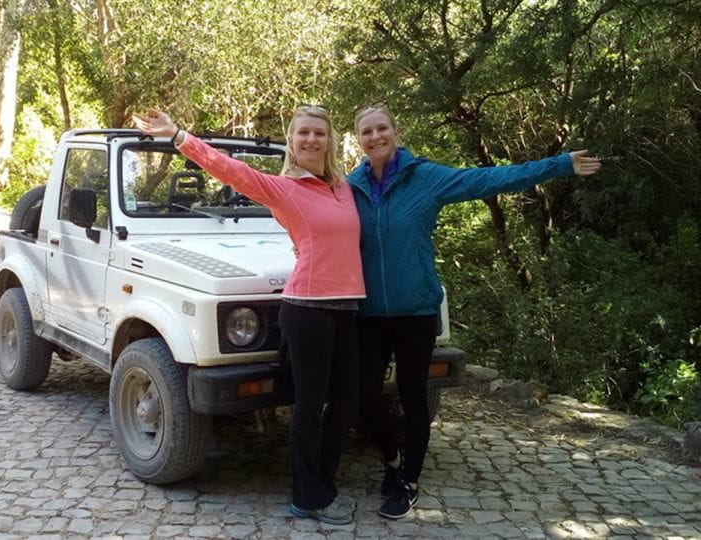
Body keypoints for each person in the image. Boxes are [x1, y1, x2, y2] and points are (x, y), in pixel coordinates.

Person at [350, 102, 601, 520]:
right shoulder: (351, 186)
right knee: (364, 398)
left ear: (396, 131)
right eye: (366, 132)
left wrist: (559, 165)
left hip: (415, 311)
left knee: (413, 398)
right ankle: (392, 458)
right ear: (358, 140)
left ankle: (408, 480)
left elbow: (489, 178)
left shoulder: (426, 178)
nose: (375, 137)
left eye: (382, 128)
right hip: (370, 313)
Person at [133, 107, 364, 525]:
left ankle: (325, 484)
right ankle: (308, 498)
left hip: (347, 309)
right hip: (307, 309)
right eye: (302, 134)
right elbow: (231, 170)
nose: (311, 140)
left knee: (345, 403)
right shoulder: (284, 188)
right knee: (310, 405)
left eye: (319, 133)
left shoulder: (345, 188)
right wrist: (179, 135)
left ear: (330, 141)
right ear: (291, 142)